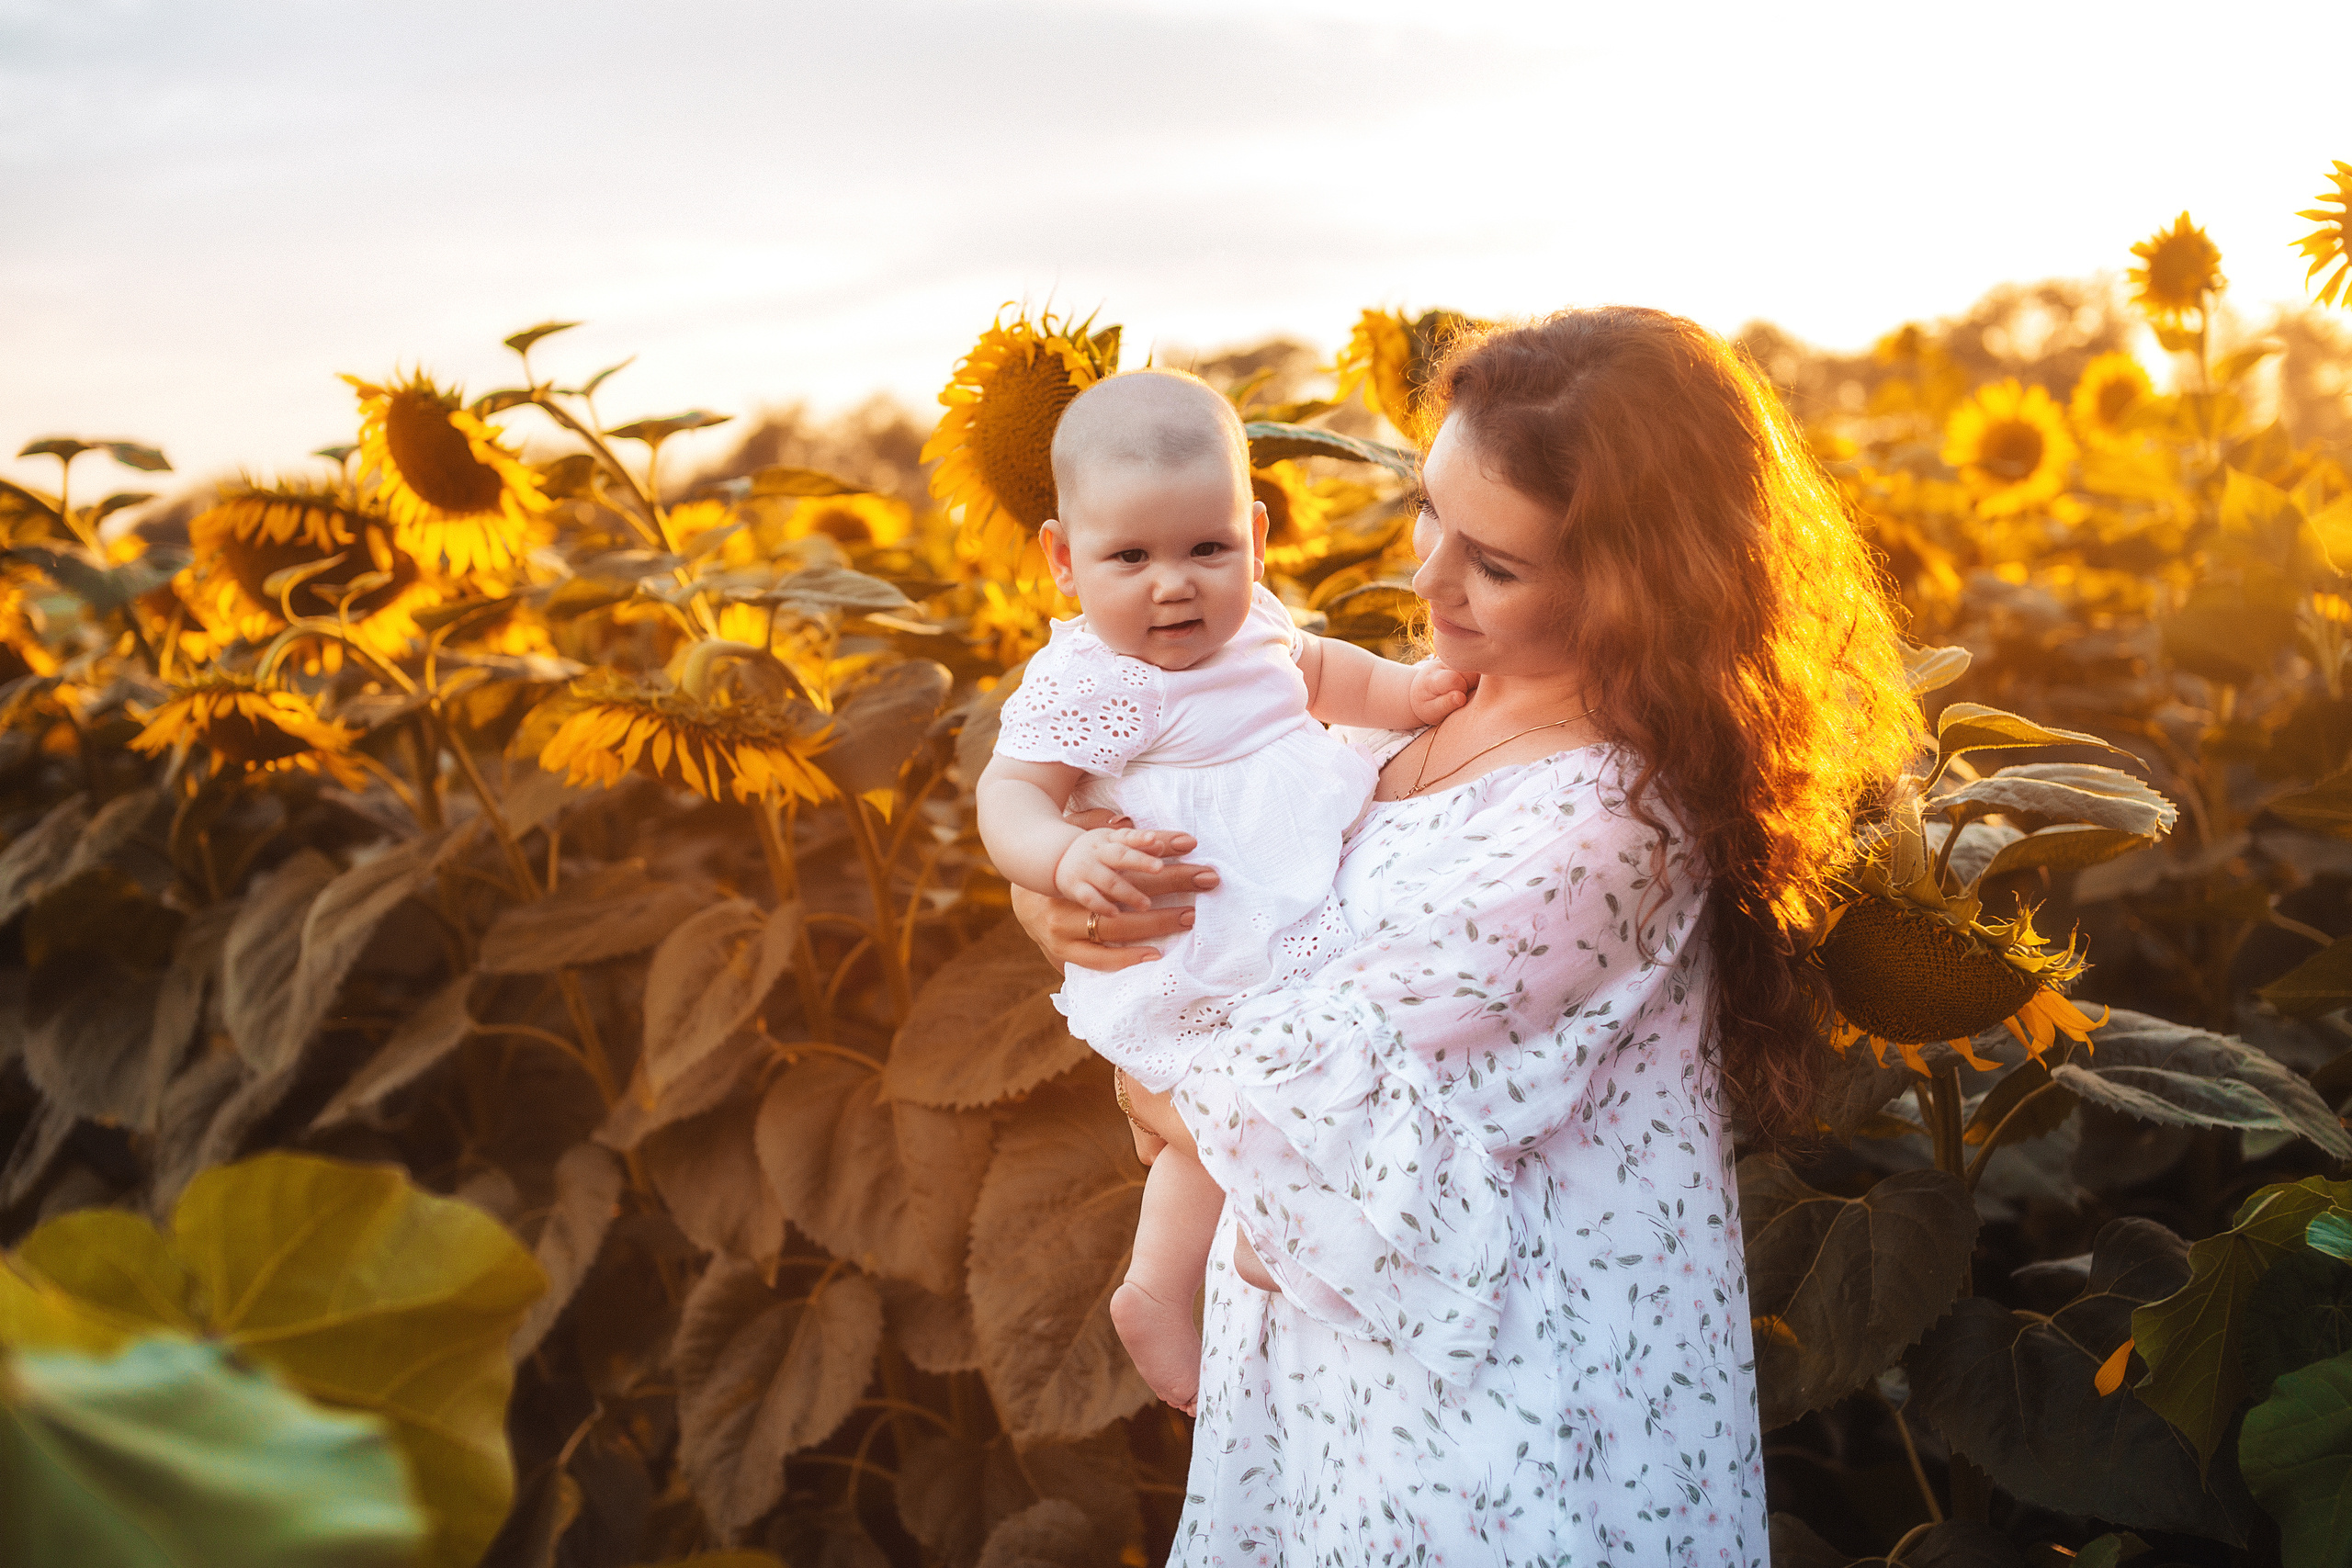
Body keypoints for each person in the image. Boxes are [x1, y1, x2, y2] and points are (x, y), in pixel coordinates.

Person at [1012, 309, 1921, 1565]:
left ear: (1636, 583)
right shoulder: (1431, 705)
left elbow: (1306, 1092)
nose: (1430, 577)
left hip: (1498, 1436)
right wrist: (1058, 889)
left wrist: (1147, 1067)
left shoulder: (1611, 821)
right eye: (1430, 512)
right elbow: (1194, 856)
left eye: (1493, 562)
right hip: (1344, 1403)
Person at [976, 368, 1473, 1416]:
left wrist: (1407, 691)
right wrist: (1063, 859)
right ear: (1064, 561)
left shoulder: (1257, 629)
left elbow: (1323, 673)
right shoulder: (1093, 681)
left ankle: (1257, 1238)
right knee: (1217, 1107)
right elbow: (1009, 795)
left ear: (1254, 535)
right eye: (1130, 557)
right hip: (1202, 940)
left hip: (1295, 919)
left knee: (1291, 1087)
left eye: (1208, 550)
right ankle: (1160, 1284)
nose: (1175, 585)